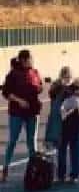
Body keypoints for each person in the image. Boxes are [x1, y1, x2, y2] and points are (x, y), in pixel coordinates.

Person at [2, 50, 43, 182]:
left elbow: (39, 86)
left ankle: (34, 169)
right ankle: (5, 168)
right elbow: (6, 92)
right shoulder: (13, 74)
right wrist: (19, 101)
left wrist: (40, 88)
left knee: (32, 141)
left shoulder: (35, 72)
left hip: (32, 112)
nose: (31, 61)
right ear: (23, 60)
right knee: (13, 140)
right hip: (17, 113)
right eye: (29, 59)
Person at [54, 80, 79, 184]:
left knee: (65, 152)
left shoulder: (68, 96)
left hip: (70, 129)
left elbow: (59, 113)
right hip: (76, 130)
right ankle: (72, 175)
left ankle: (63, 175)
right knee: (74, 152)